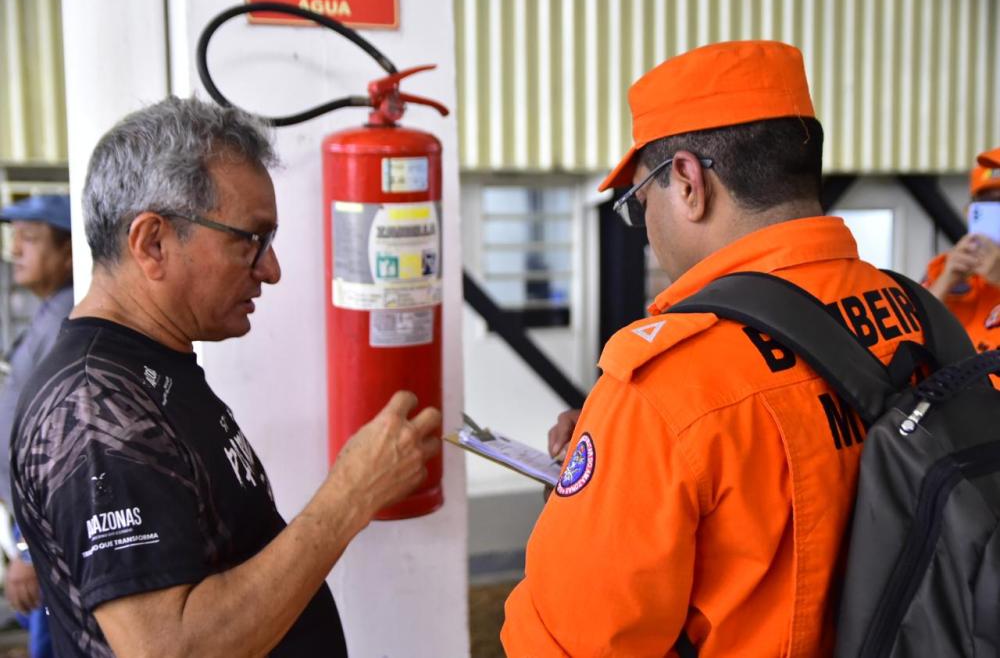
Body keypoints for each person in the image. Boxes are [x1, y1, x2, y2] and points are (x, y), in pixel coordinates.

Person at [502, 40, 926, 656]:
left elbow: (570, 644)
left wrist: (581, 511)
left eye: (639, 203)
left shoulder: (667, 385)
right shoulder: (926, 316)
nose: (646, 232)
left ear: (687, 181)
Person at [9, 97, 441, 658]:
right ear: (153, 242)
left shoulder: (147, 369)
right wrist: (349, 496)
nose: (271, 268)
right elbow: (169, 648)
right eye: (250, 240)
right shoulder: (93, 407)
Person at [0, 194, 74, 658]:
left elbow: (57, 449)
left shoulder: (65, 320)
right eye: (14, 239)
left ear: (69, 253)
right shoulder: (49, 312)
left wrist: (29, 551)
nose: (15, 251)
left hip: (45, 539)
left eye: (30, 239)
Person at [923, 146, 1000, 352]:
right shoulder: (944, 269)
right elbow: (914, 339)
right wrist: (947, 280)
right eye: (988, 204)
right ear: (970, 212)